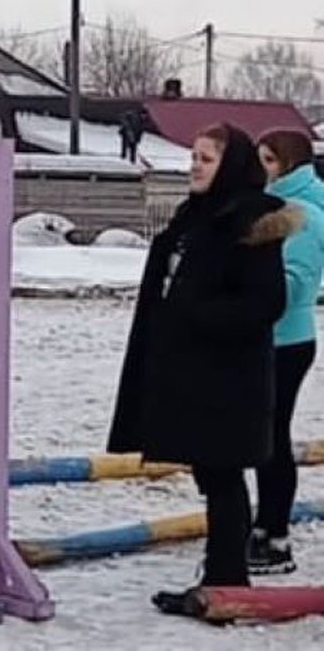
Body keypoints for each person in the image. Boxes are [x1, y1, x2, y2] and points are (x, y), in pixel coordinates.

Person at [107, 122, 297, 615]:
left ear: (230, 166)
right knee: (212, 475)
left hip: (227, 379)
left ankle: (227, 584)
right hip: (192, 374)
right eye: (193, 156)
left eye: (206, 159)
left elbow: (266, 302)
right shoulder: (195, 218)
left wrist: (196, 315)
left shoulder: (250, 221)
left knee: (223, 475)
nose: (194, 165)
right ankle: (220, 580)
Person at [251, 129, 324, 574]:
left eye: (269, 161)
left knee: (272, 438)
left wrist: (246, 293)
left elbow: (294, 281)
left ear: (289, 164)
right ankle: (264, 526)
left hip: (287, 339)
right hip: (271, 337)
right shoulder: (276, 206)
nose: (262, 170)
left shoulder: (303, 214)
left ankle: (275, 536)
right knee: (263, 437)